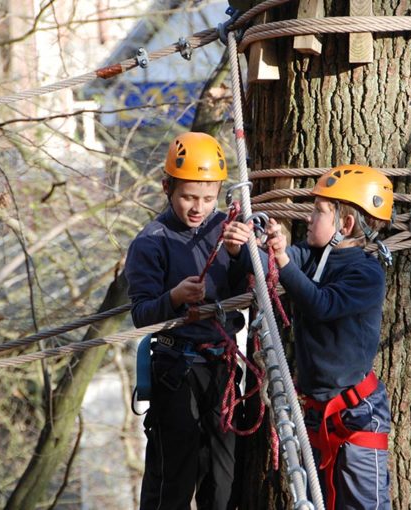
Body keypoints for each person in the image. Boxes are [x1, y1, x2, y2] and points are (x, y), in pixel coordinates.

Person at [224, 164, 394, 509]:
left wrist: (284, 260)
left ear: (345, 225)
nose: (309, 219)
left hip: (356, 412)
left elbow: (322, 304)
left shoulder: (366, 273)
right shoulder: (314, 256)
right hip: (320, 410)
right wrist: (241, 248)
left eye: (319, 212)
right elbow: (264, 267)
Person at [124, 132, 246, 510]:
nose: (198, 207)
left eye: (208, 198)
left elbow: (247, 291)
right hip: (176, 366)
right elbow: (141, 314)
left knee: (223, 476)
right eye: (189, 197)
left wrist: (239, 254)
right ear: (167, 188)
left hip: (220, 365)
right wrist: (174, 297)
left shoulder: (225, 230)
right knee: (175, 474)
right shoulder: (152, 241)